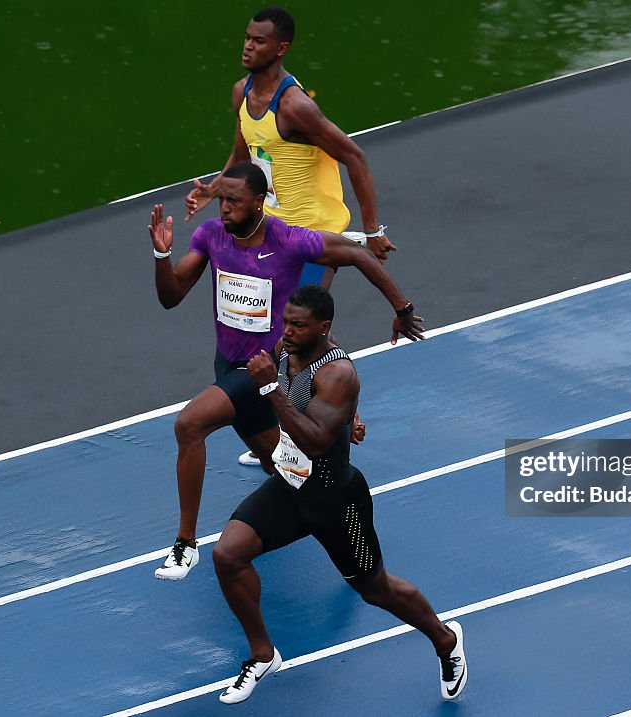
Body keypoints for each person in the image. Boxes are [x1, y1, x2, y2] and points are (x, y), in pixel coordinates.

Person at [150, 162, 424, 580]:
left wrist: (402, 309)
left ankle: (186, 545)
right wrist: (161, 255)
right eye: (221, 200)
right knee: (280, 465)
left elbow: (355, 254)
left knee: (190, 425)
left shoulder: (289, 240)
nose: (223, 209)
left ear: (259, 202)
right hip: (229, 366)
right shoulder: (210, 236)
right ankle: (329, 517)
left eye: (234, 202)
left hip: (262, 369)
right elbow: (170, 297)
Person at [212, 285, 467, 704]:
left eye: (298, 325)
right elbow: (327, 408)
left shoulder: (338, 372)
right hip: (291, 488)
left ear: (324, 327)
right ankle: (262, 654)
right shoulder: (287, 349)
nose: (287, 331)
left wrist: (269, 390)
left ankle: (445, 640)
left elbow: (314, 440)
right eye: (286, 321)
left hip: (336, 501)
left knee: (376, 589)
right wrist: (351, 417)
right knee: (227, 555)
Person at [186, 6, 394, 469]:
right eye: (246, 38)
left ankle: (331, 421)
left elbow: (355, 157)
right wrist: (213, 190)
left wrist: (374, 230)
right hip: (274, 229)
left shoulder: (296, 106)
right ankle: (290, 424)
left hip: (317, 233)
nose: (247, 46)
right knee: (277, 331)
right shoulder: (242, 93)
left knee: (289, 334)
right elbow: (244, 155)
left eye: (258, 41)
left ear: (280, 49)